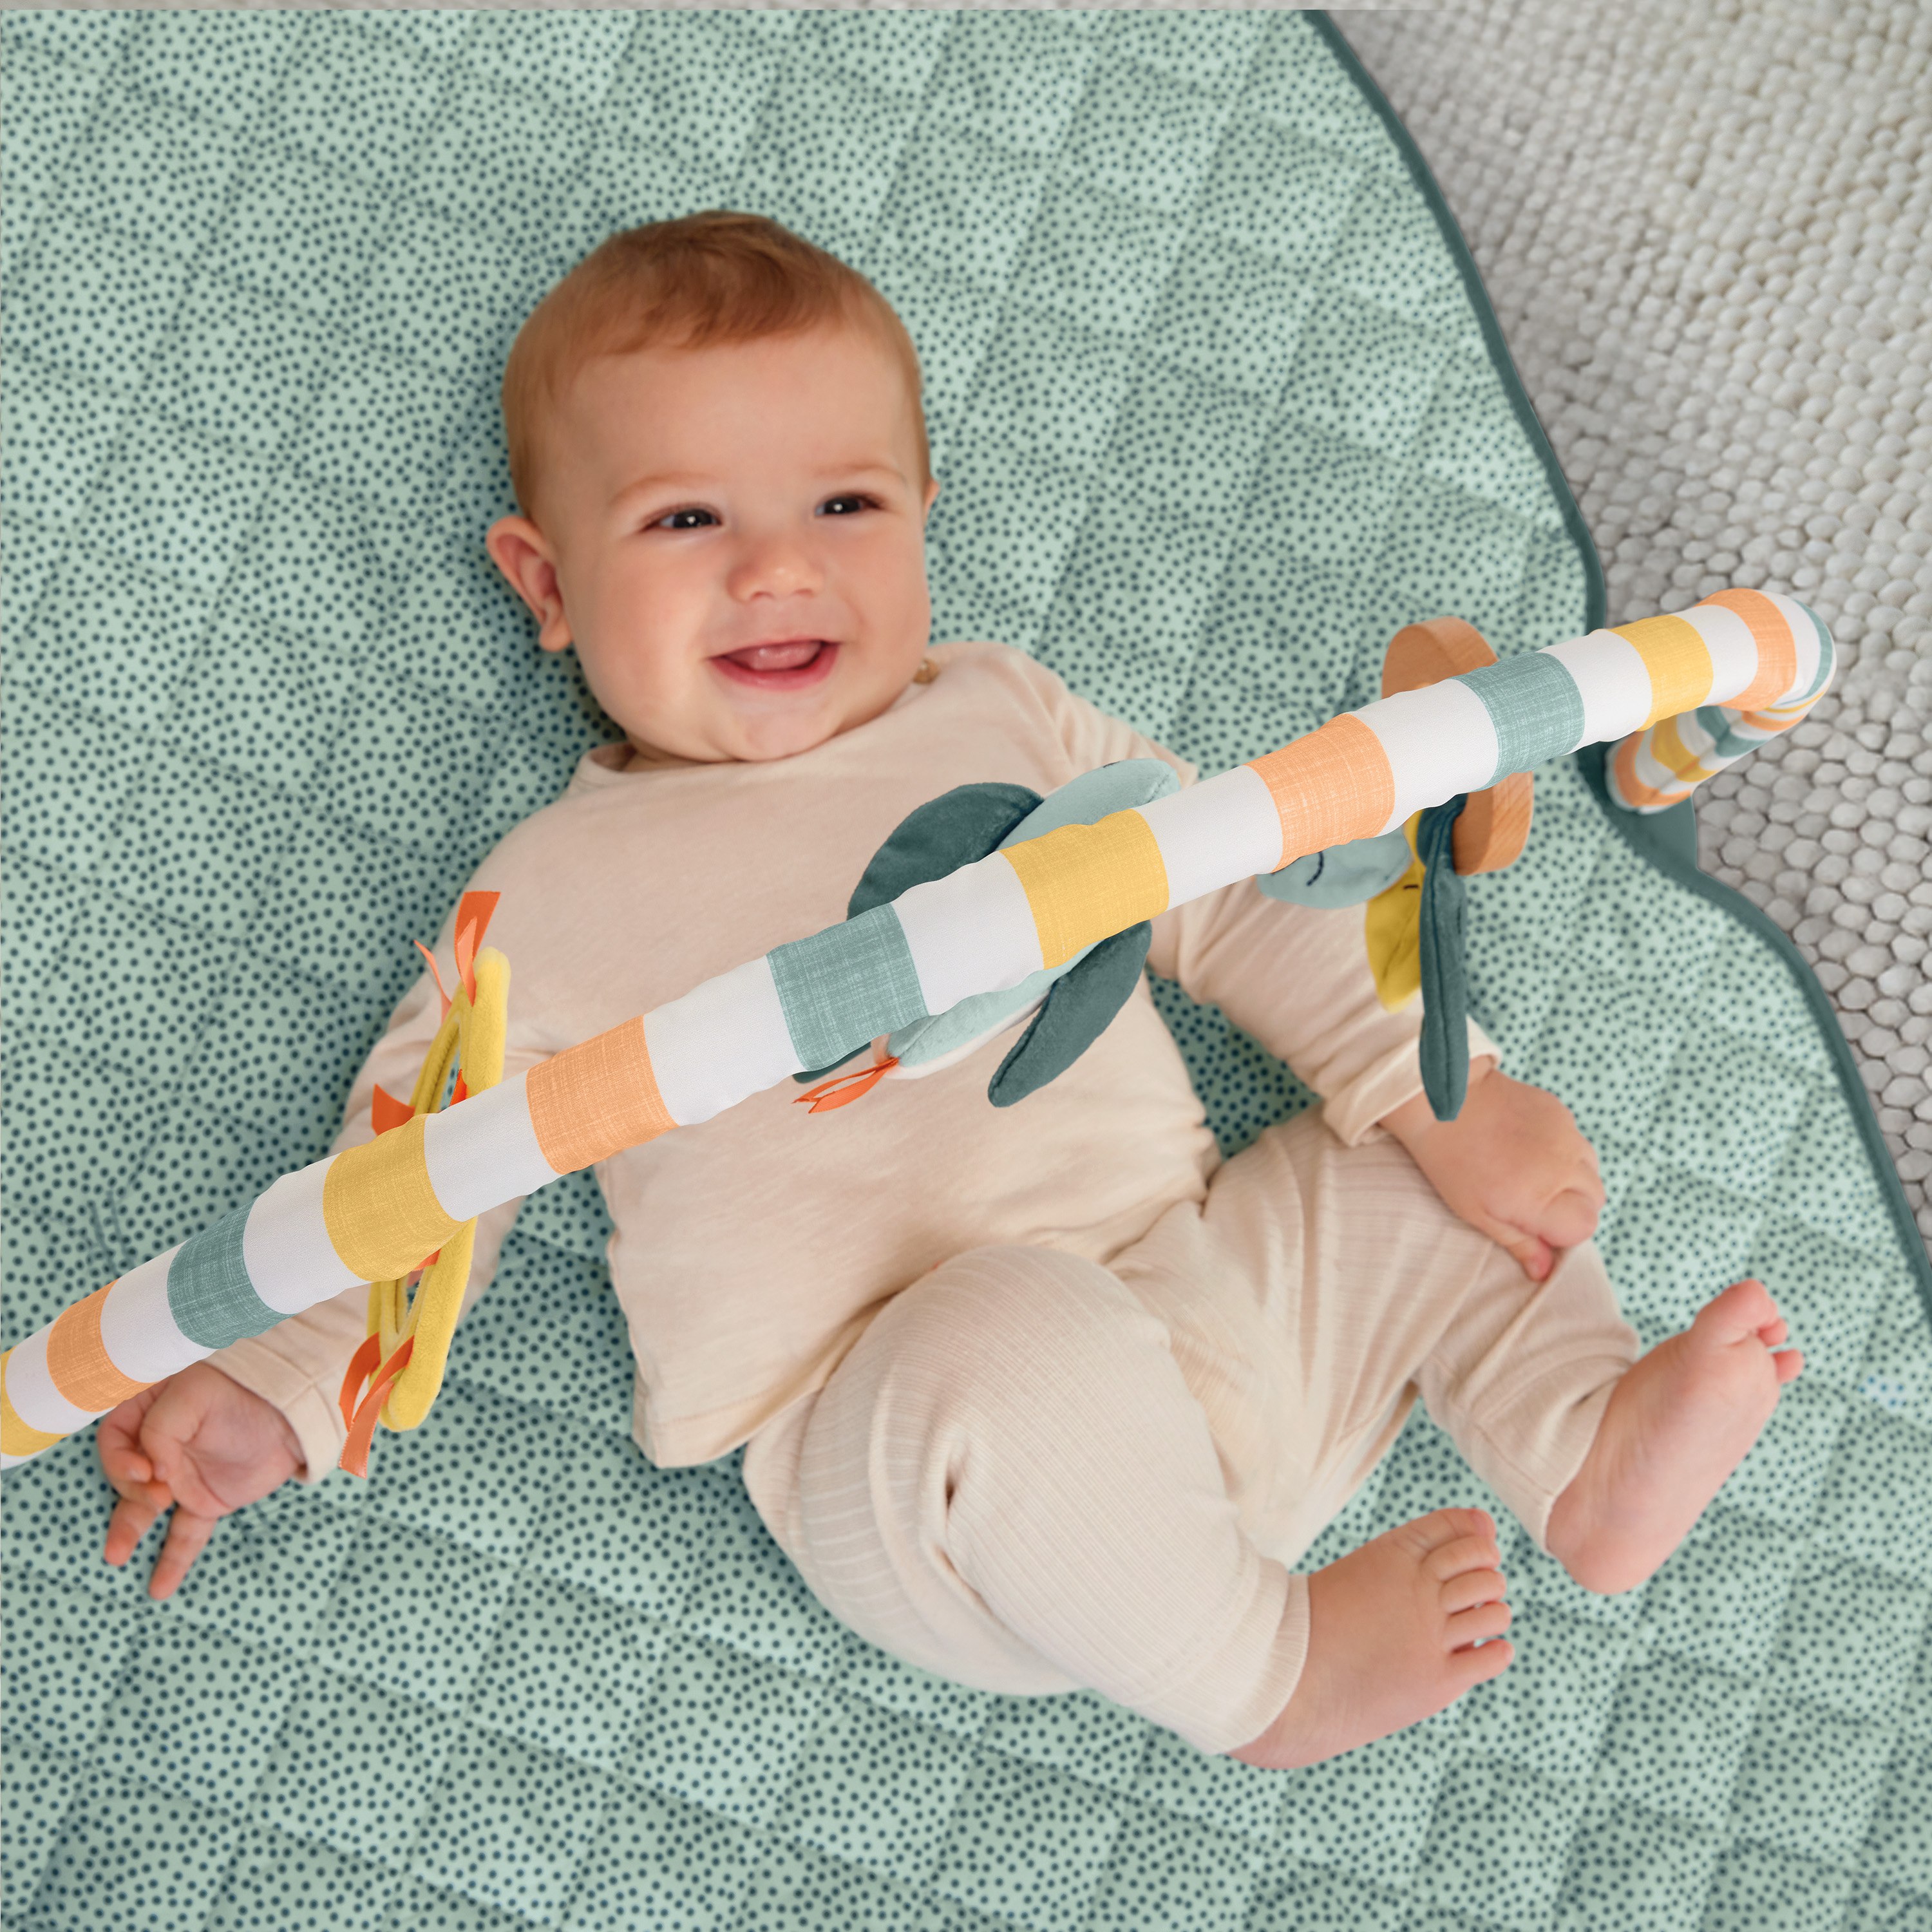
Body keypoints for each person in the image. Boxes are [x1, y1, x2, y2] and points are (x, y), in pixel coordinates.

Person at [96, 211, 1804, 1769]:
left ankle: (1580, 1440)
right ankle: (1268, 1676)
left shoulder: (1005, 719)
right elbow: (418, 1163)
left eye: (843, 507)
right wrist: (282, 1383)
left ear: (924, 512)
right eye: (687, 520)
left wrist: (1451, 1094)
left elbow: (1238, 886)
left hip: (1204, 1288)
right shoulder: (545, 894)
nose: (778, 569)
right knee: (1003, 1338)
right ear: (547, 583)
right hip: (913, 1446)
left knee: (1412, 1179)